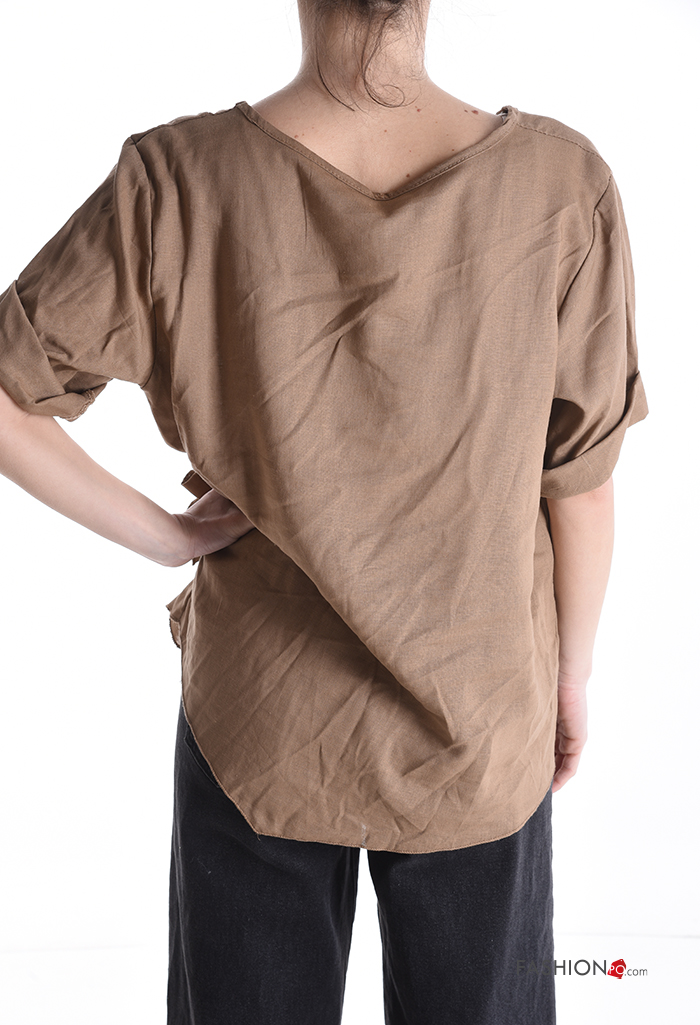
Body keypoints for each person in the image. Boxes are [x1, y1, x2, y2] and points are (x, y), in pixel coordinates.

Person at [0, 0, 649, 1022]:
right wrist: (568, 681)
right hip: (480, 712)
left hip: (259, 716)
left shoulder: (177, 179)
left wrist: (168, 537)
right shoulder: (562, 185)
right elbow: (582, 480)